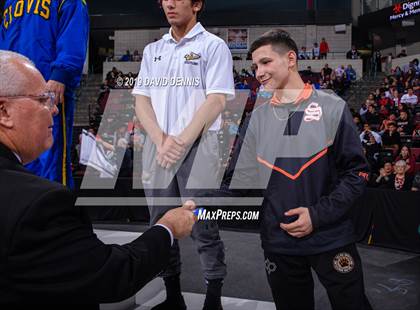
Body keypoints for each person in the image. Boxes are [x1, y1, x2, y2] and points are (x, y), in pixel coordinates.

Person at [186, 29, 372, 310]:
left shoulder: (332, 107)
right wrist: (201, 206)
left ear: (291, 59)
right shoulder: (257, 117)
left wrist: (317, 215)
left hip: (331, 239)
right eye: (254, 66)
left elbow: (357, 175)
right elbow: (241, 185)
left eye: (265, 62)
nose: (258, 72)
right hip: (278, 244)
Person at [0, 50, 197, 307]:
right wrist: (168, 228)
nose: (54, 109)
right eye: (42, 99)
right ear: (4, 111)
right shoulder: (40, 204)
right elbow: (111, 275)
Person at [132, 1, 234, 309]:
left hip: (199, 148)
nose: (169, 3)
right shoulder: (153, 51)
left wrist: (180, 141)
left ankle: (213, 299)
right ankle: (173, 295)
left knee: (202, 225)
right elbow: (141, 101)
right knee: (161, 224)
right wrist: (161, 140)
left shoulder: (213, 46)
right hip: (158, 149)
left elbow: (216, 100)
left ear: (198, 4)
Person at [0, 0, 89, 188]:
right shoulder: (11, 2)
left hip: (46, 92)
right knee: (10, 157)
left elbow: (73, 35)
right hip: (11, 91)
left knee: (50, 159)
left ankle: (54, 211)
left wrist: (61, 75)